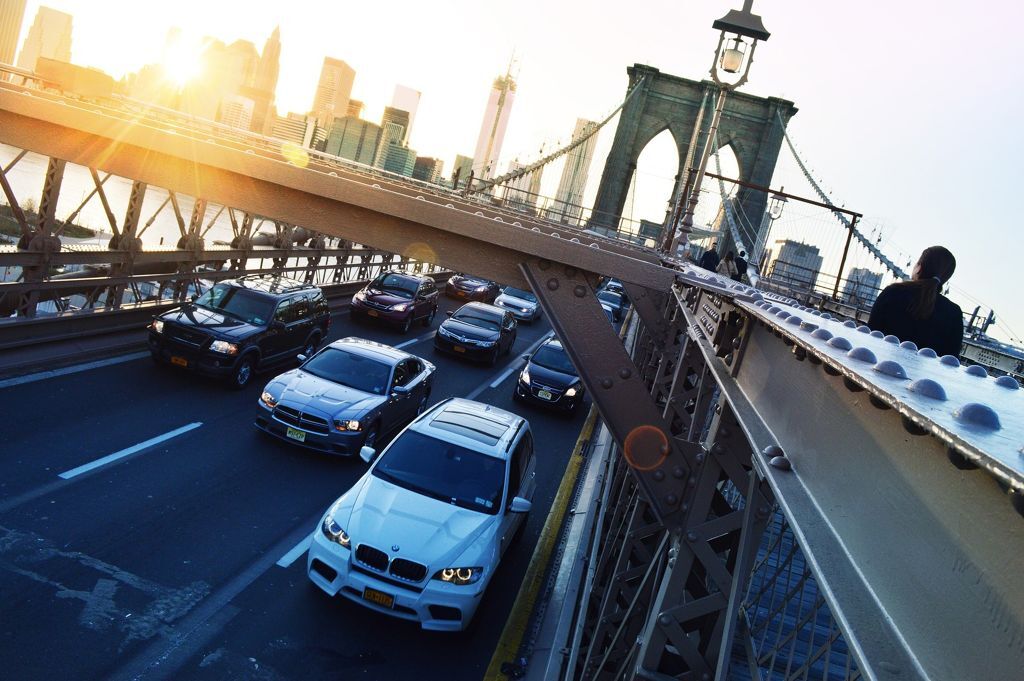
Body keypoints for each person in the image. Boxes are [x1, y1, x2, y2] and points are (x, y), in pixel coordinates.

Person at [868, 246, 963, 357]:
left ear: (919, 268)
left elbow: (871, 334)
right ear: (946, 278)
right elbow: (951, 359)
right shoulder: (953, 312)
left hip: (880, 366)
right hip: (924, 375)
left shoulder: (893, 292)